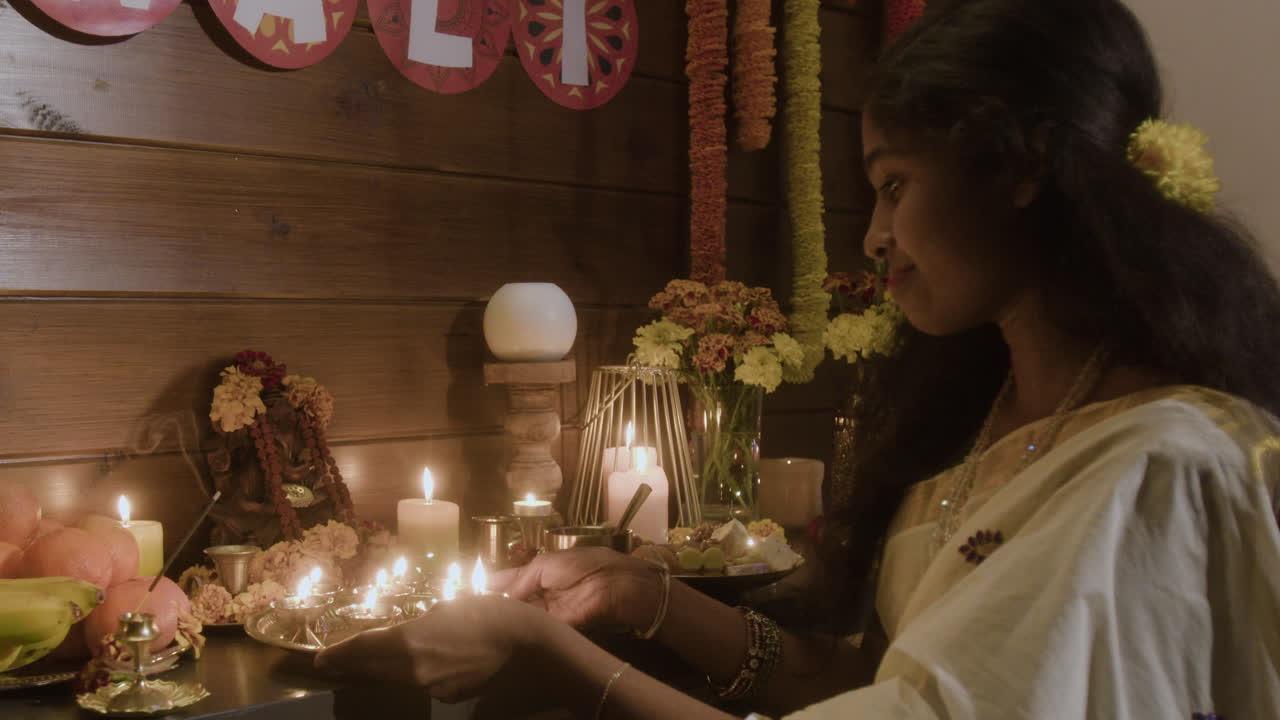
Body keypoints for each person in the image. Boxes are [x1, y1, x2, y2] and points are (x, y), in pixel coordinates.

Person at [315, 0, 1280, 716]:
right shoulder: (991, 415)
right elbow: (877, 682)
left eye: (897, 185)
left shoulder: (1161, 466)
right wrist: (646, 597)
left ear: (1026, 166)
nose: (875, 237)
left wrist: (542, 652)